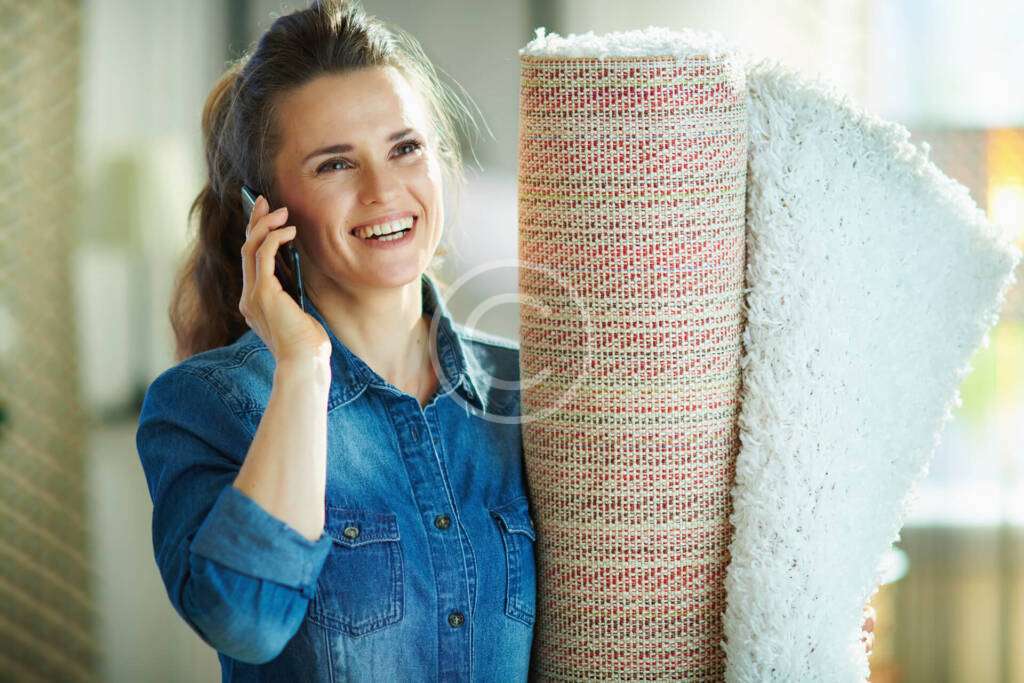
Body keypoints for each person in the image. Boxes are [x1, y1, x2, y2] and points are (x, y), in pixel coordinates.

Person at [135, 0, 535, 680]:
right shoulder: (203, 406)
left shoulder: (522, 391)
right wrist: (303, 367)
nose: (383, 190)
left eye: (405, 148)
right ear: (265, 211)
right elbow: (245, 620)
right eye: (334, 165)